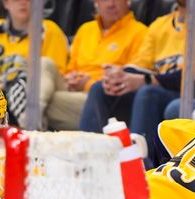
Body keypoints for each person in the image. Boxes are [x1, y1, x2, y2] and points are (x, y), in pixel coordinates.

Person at [80, 0, 195, 152]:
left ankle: (142, 164)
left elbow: (193, 80)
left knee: (148, 93)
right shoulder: (160, 24)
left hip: (186, 95)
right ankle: (87, 156)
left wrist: (145, 81)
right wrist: (119, 76)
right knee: (100, 88)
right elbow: (139, 65)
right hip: (153, 88)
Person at [42, 0, 148, 130]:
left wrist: (87, 84)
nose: (110, 4)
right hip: (71, 92)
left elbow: (127, 83)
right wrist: (71, 78)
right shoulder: (85, 29)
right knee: (45, 63)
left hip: (101, 99)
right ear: (96, 2)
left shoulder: (140, 33)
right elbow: (70, 69)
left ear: (128, 2)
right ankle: (29, 113)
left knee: (38, 100)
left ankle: (30, 115)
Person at [0, 0, 68, 128]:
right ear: (6, 3)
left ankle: (30, 126)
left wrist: (13, 82)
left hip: (37, 93)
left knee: (20, 80)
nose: (23, 3)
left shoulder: (49, 30)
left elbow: (53, 70)